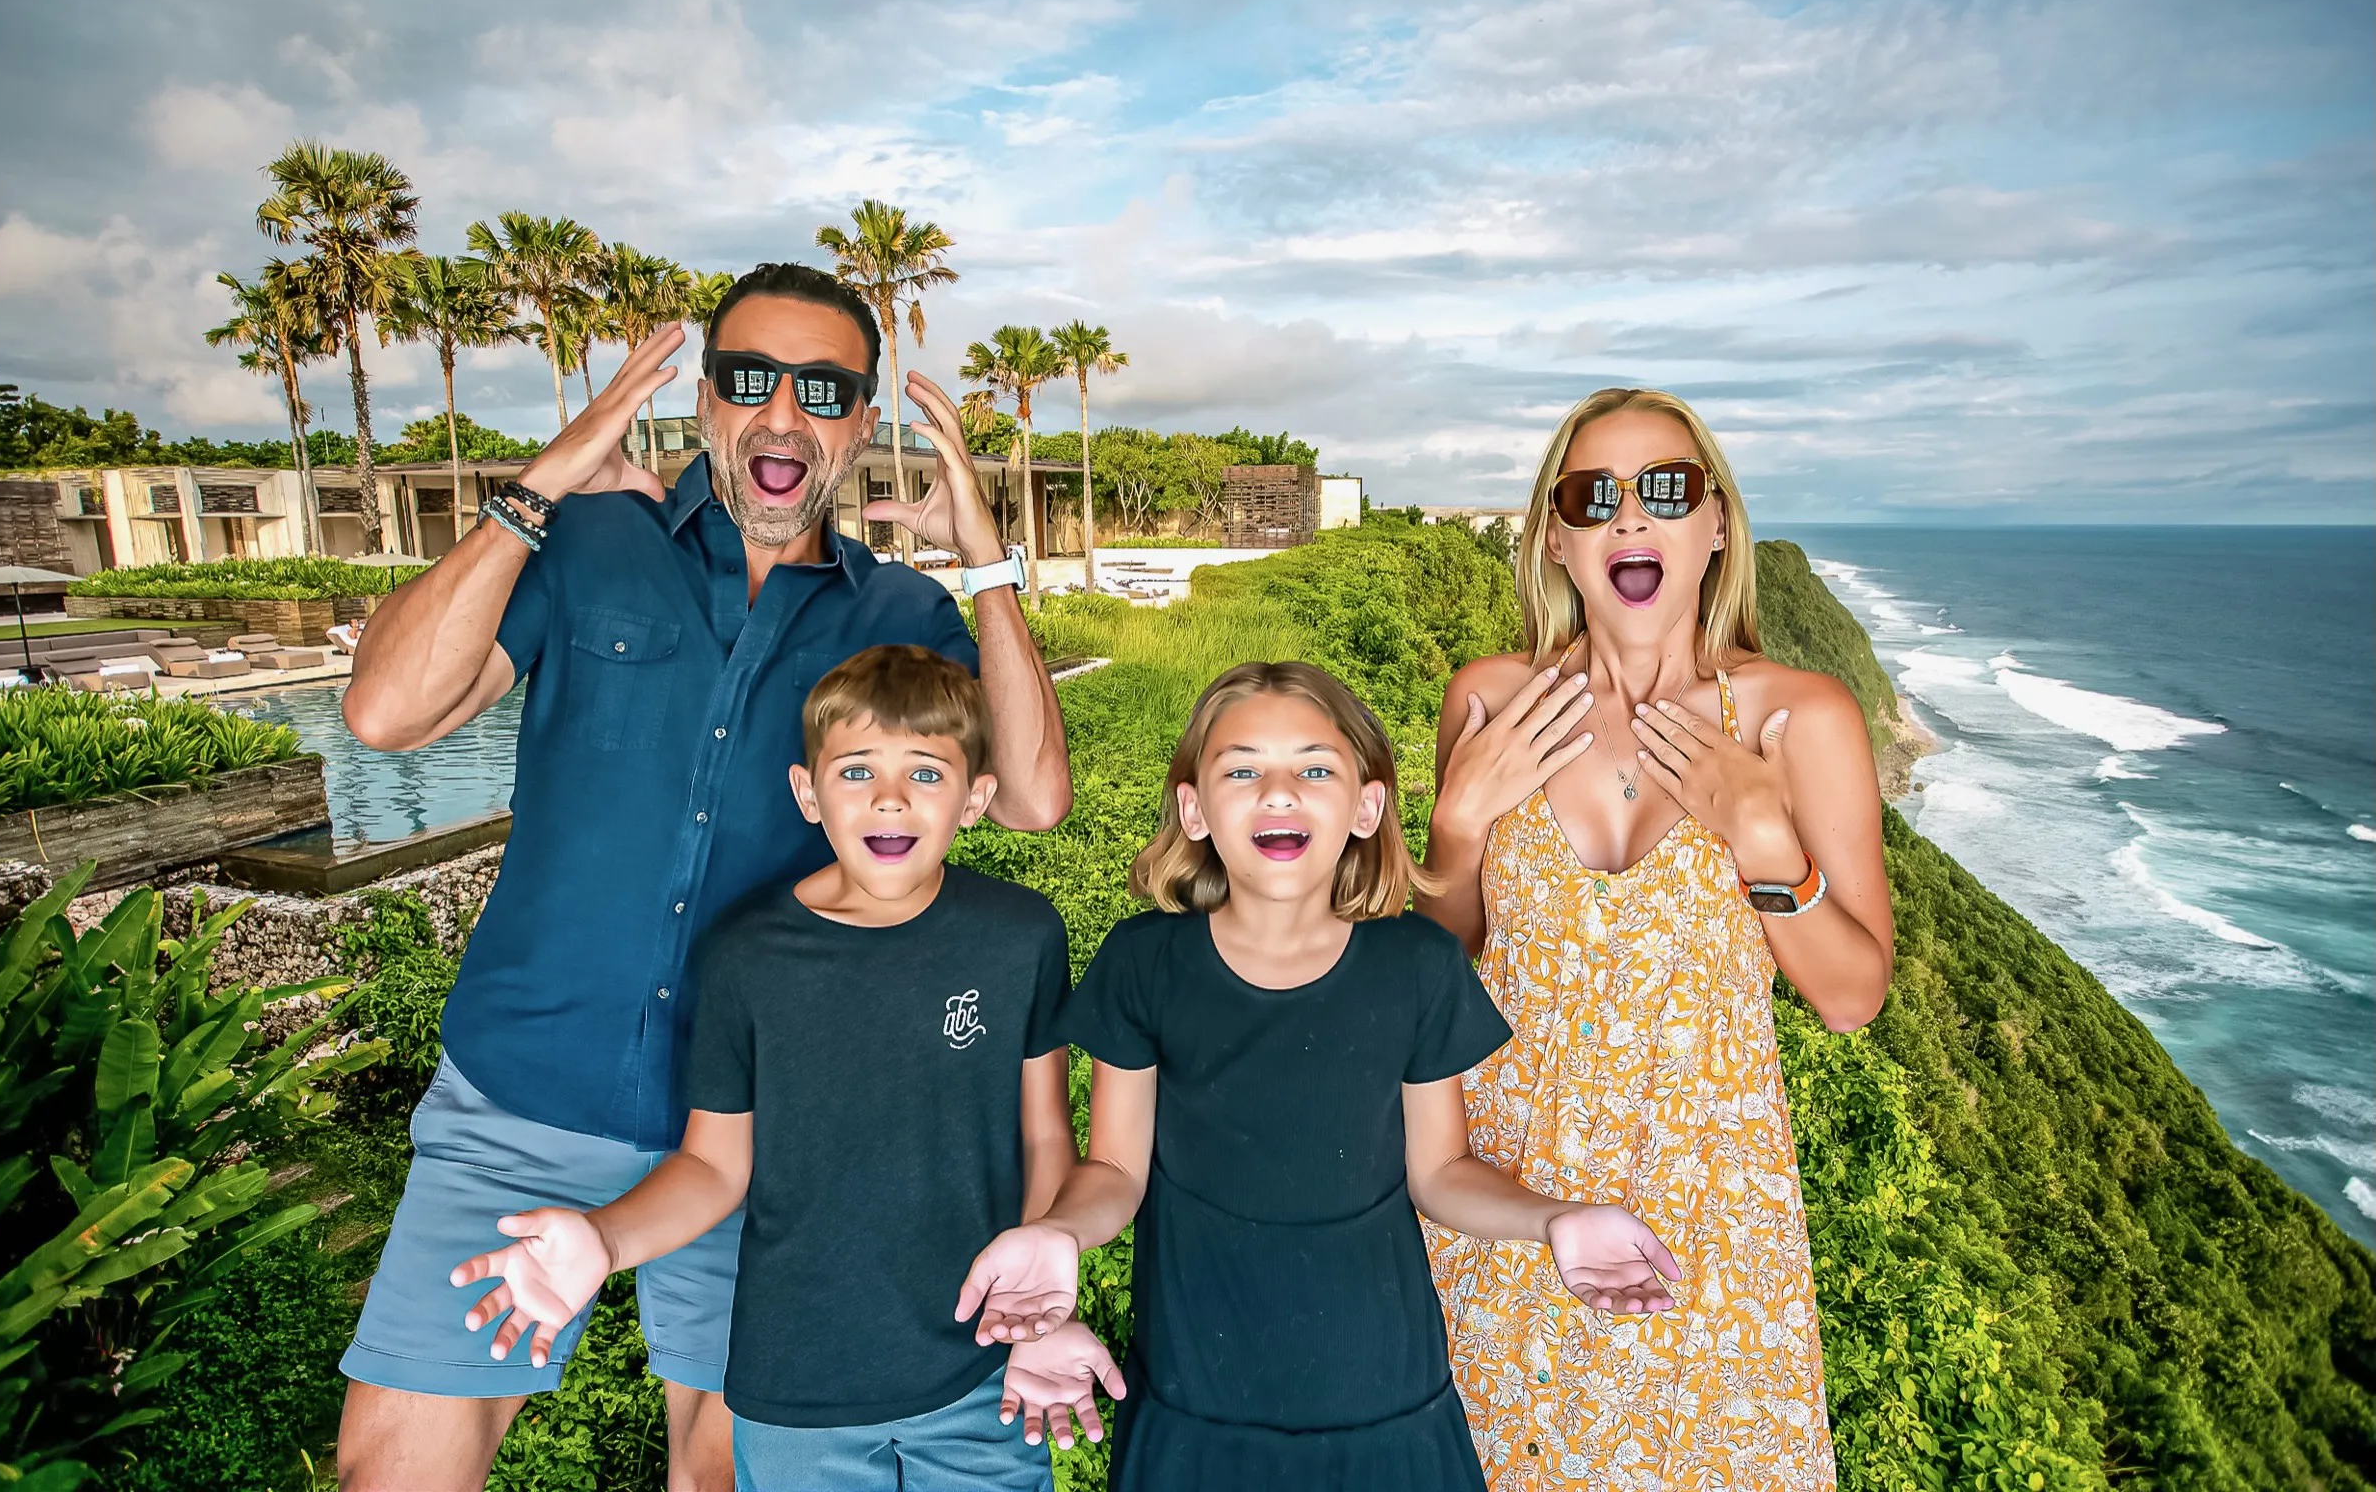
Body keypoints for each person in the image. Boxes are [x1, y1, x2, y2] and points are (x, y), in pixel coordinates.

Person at [334, 261, 1072, 1492]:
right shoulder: (586, 544)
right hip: (519, 1101)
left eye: (822, 391)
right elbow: (383, 712)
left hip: (765, 1131)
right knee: (394, 1476)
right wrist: (545, 479)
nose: (782, 414)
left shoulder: (899, 614)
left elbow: (1036, 797)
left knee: (725, 1475)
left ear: (862, 423)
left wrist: (985, 557)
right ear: (704, 401)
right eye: (749, 378)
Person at [958, 661, 1683, 1491]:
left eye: (1313, 769)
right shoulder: (1141, 962)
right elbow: (1116, 1171)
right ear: (1193, 809)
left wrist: (1554, 1220)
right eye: (1242, 771)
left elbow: (1441, 1172)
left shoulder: (1417, 964)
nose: (1278, 793)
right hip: (1193, 1407)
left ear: (1366, 808)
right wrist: (1058, 1231)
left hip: (1388, 1404)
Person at [448, 645, 1103, 1491]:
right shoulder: (747, 954)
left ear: (976, 798)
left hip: (984, 1367)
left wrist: (1042, 1311)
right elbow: (714, 1165)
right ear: (808, 792)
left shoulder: (1019, 935)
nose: (890, 798)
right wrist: (604, 1240)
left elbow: (1045, 1135)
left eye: (926, 773)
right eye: (857, 770)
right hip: (795, 1385)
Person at [1417, 388, 1895, 1490]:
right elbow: (1438, 971)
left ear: (1716, 523)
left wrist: (1766, 842)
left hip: (1708, 1219)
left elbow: (1852, 996)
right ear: (1555, 537)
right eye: (1593, 496)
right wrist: (1457, 827)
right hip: (1507, 1200)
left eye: (1666, 489)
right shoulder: (1491, 701)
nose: (1630, 516)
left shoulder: (1796, 716)